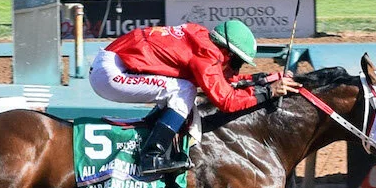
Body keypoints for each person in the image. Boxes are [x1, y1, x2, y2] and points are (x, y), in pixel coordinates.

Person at [89, 18, 301, 175]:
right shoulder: (206, 55)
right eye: (237, 63)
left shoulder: (203, 40)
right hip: (111, 73)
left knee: (181, 88)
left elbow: (221, 80)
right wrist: (269, 92)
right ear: (227, 52)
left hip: (115, 63)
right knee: (184, 89)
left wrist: (264, 79)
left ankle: (153, 132)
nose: (237, 70)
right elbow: (226, 101)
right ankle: (151, 156)